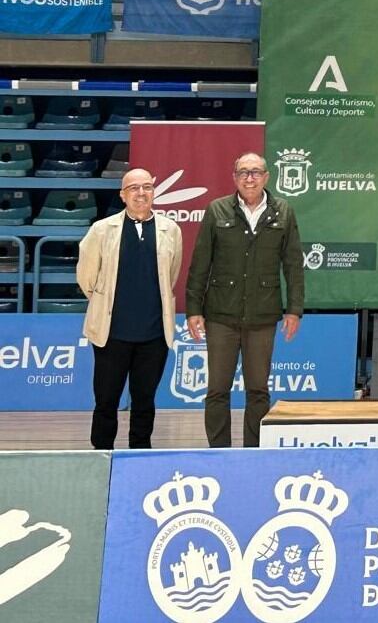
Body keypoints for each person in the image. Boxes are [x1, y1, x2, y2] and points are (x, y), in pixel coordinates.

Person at [185, 152, 304, 448]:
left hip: (263, 315)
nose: (249, 178)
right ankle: (219, 452)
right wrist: (193, 309)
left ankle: (254, 451)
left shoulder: (284, 212)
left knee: (258, 390)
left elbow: (292, 265)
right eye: (243, 173)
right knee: (217, 390)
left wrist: (295, 309)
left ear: (266, 177)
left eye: (255, 172)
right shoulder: (217, 210)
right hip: (220, 315)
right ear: (234, 178)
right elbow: (200, 263)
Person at [77, 168, 182, 449]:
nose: (141, 193)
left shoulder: (170, 229)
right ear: (123, 195)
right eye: (133, 188)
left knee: (145, 401)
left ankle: (140, 455)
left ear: (153, 192)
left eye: (146, 187)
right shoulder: (101, 230)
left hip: (153, 335)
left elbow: (170, 275)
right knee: (106, 401)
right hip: (112, 334)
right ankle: (101, 454)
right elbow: (87, 278)